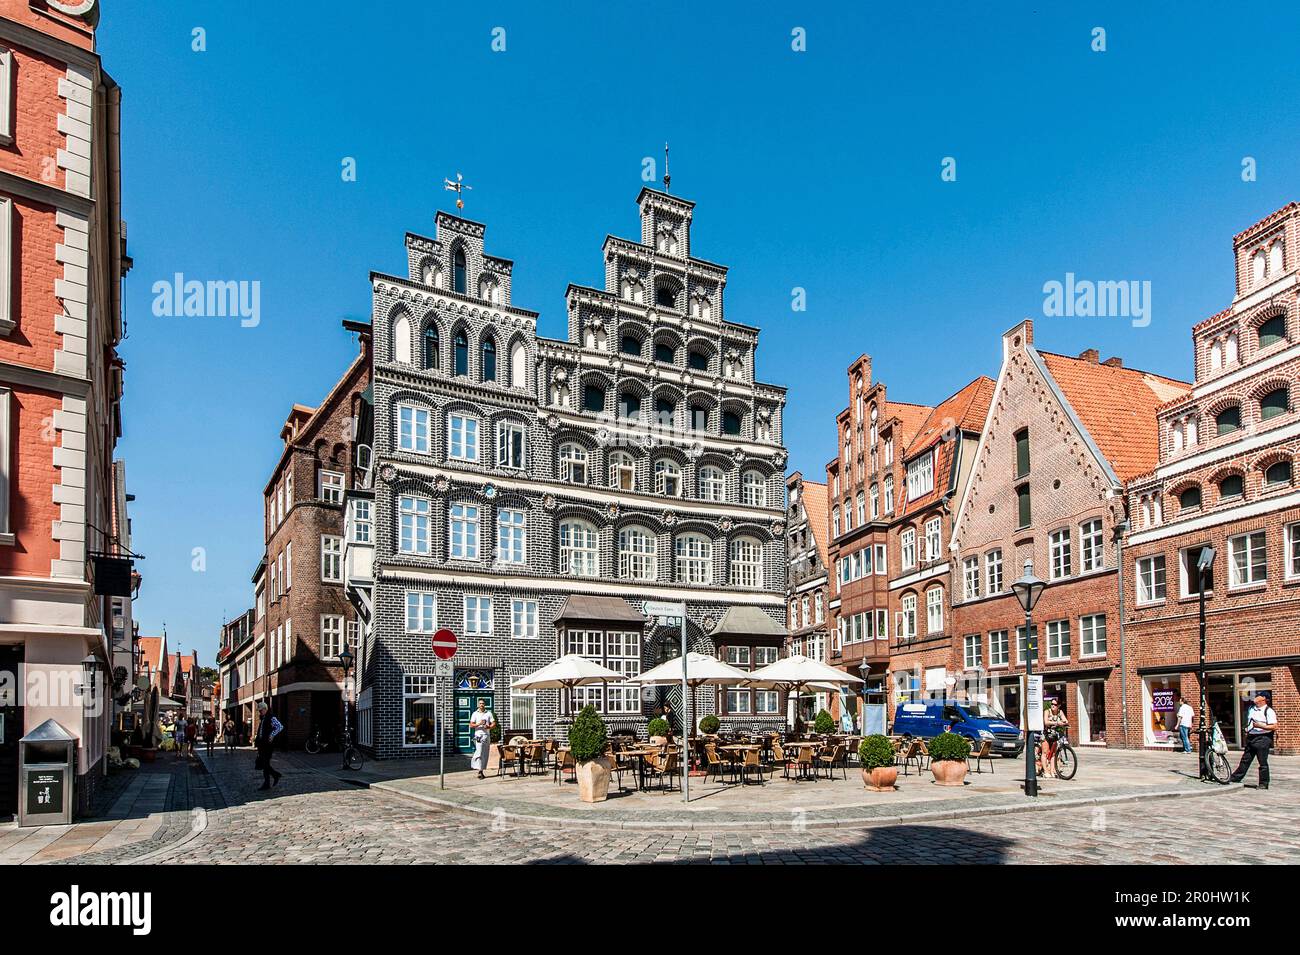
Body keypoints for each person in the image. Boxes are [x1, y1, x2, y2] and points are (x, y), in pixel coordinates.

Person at [1229, 694, 1277, 790]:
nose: (1256, 697)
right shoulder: (1251, 708)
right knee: (1245, 759)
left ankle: (1263, 783)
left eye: (1259, 696)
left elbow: (1274, 726)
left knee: (1262, 762)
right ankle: (1236, 777)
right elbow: (1249, 722)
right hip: (1252, 736)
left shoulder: (1268, 711)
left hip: (1263, 737)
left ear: (1264, 699)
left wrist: (1260, 726)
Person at [254, 702, 283, 790]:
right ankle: (269, 781)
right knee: (264, 764)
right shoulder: (263, 718)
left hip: (267, 745)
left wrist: (272, 735)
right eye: (259, 711)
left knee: (265, 763)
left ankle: (274, 776)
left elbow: (279, 726)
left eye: (261, 710)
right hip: (262, 744)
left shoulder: (271, 717)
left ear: (265, 709)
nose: (260, 712)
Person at [1038, 700, 1069, 778]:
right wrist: (1057, 723)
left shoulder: (1060, 712)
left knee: (1054, 754)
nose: (1053, 705)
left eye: (1055, 704)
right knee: (1045, 752)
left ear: (1058, 706)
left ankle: (1052, 771)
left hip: (1055, 735)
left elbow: (1065, 720)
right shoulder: (1047, 711)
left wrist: (1065, 722)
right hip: (1046, 734)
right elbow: (1046, 722)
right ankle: (1045, 771)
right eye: (1052, 704)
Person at [468, 699, 496, 779]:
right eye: (480, 703)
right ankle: (478, 769)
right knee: (479, 751)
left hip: (486, 735)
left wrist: (488, 727)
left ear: (485, 704)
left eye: (483, 703)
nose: (481, 705)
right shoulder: (475, 714)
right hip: (478, 735)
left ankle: (481, 770)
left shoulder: (488, 713)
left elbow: (494, 723)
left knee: (485, 754)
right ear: (478, 705)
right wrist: (479, 724)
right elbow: (471, 725)